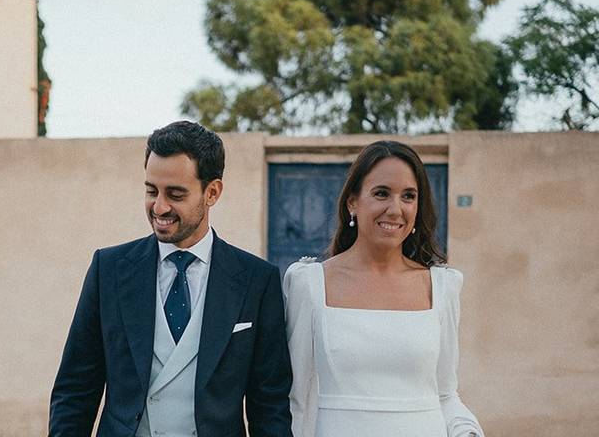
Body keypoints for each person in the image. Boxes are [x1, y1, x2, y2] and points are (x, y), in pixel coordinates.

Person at [49, 121, 293, 437]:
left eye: (175, 194)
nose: (159, 207)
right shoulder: (108, 269)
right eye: (152, 190)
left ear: (213, 192)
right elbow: (75, 390)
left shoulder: (256, 280)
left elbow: (269, 406)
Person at [283, 140, 484, 437]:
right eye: (381, 193)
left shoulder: (443, 286)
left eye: (408, 196)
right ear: (353, 201)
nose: (395, 209)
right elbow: (298, 400)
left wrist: (467, 431)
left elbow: (446, 395)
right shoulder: (308, 284)